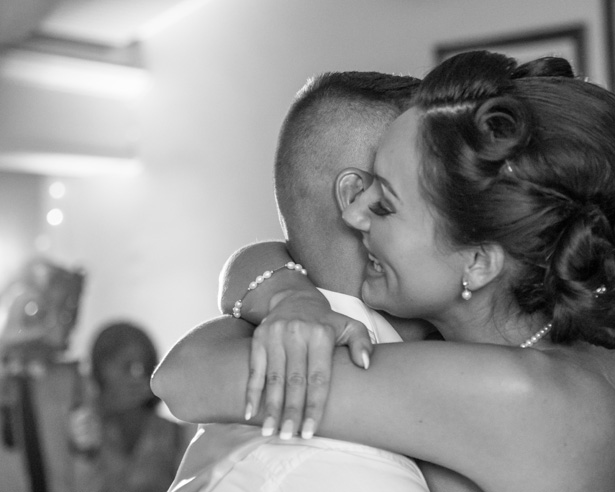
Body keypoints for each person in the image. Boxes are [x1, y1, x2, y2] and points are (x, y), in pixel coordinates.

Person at [157, 51, 615, 492]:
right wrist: (286, 289)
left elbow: (190, 378)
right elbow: (280, 254)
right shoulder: (545, 348)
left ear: (477, 263)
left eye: (386, 204)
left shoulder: (510, 392)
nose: (355, 216)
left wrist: (284, 295)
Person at [152, 71, 481, 492]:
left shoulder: (267, 317)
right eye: (448, 186)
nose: (475, 215)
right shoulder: (342, 470)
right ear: (360, 201)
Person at [70, 321, 191, 492]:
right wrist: (85, 452)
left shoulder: (172, 435)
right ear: (101, 371)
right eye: (127, 366)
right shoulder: (85, 432)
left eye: (145, 366)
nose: (137, 376)